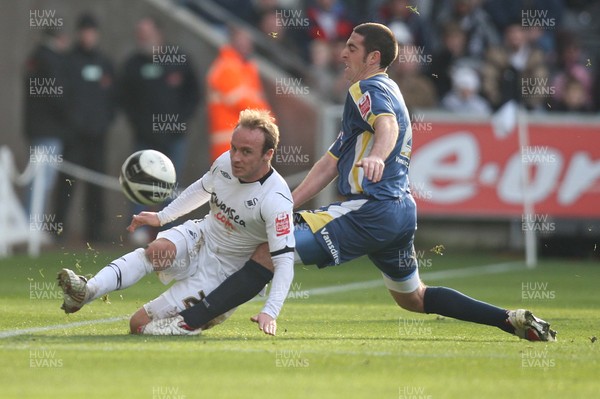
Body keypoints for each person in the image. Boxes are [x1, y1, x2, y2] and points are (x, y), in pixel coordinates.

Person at [158, 22, 556, 341]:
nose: (342, 52)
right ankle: (508, 319)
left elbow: (386, 127)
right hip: (397, 214)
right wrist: (287, 202)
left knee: (268, 251)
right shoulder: (383, 91)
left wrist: (378, 157)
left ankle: (186, 322)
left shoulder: (367, 88)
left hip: (369, 210)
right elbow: (330, 163)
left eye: (351, 47)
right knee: (413, 298)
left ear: (373, 57)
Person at [57, 109, 295, 336]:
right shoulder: (225, 163)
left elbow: (283, 260)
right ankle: (87, 291)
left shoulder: (276, 199)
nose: (236, 157)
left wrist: (270, 311)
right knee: (156, 251)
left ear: (268, 154)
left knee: (138, 324)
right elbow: (202, 188)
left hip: (223, 273)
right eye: (233, 148)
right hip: (202, 236)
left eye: (246, 152)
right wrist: (162, 217)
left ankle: (193, 324)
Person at [54, 13, 116, 242]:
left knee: (96, 187)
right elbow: (60, 97)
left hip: (98, 136)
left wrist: (104, 122)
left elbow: (113, 98)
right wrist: (73, 123)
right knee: (66, 185)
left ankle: (96, 233)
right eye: (84, 32)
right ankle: (57, 231)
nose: (88, 36)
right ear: (79, 34)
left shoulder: (105, 62)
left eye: (91, 32)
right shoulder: (68, 61)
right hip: (74, 136)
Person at [23, 28, 70, 216]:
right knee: (42, 180)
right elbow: (57, 96)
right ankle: (32, 224)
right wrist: (70, 114)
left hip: (39, 128)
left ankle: (33, 222)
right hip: (48, 129)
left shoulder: (36, 58)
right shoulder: (50, 60)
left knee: (39, 179)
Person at [206, 26, 271, 163]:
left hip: (243, 143)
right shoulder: (226, 68)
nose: (246, 45)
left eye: (248, 41)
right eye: (242, 41)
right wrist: (268, 118)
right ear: (232, 42)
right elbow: (245, 103)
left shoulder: (246, 68)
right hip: (229, 146)